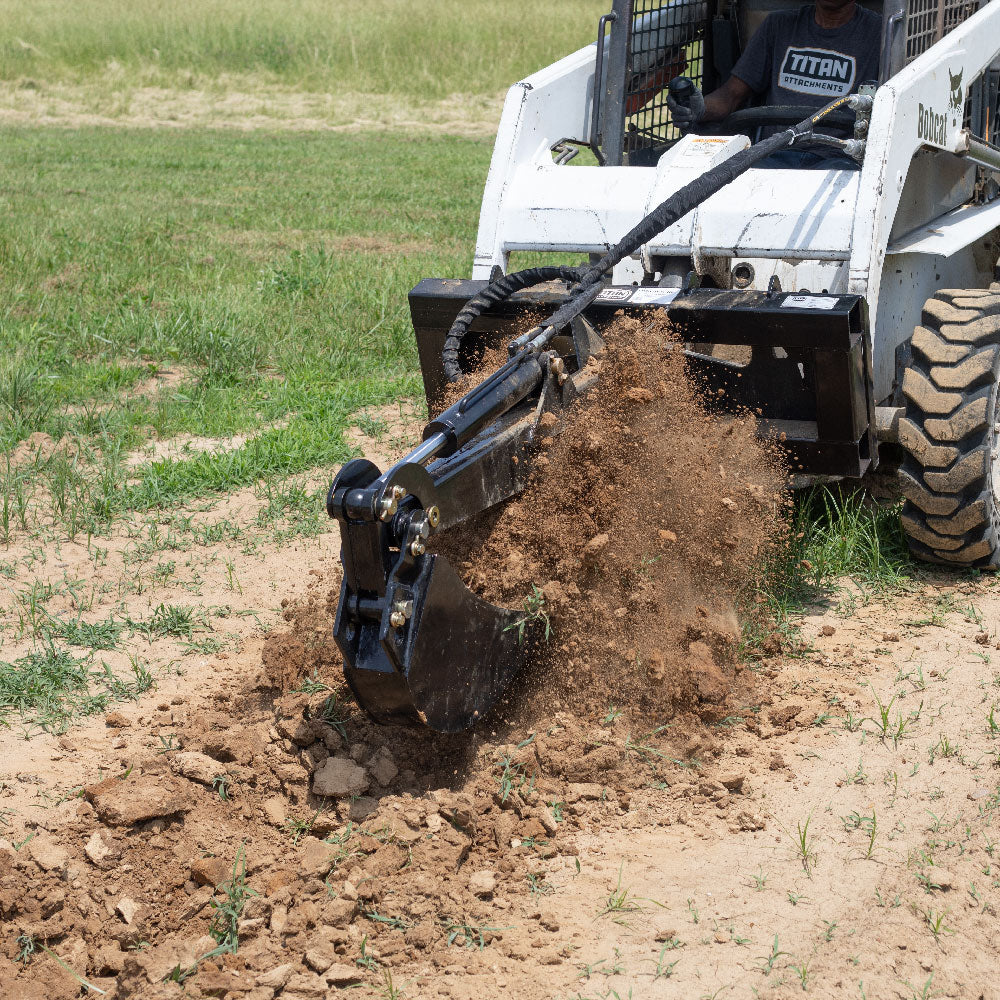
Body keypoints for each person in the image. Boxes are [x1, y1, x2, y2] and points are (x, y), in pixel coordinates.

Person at [667, 0, 881, 163]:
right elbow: (731, 95)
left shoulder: (880, 34)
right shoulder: (778, 26)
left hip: (839, 161)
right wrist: (699, 107)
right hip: (774, 155)